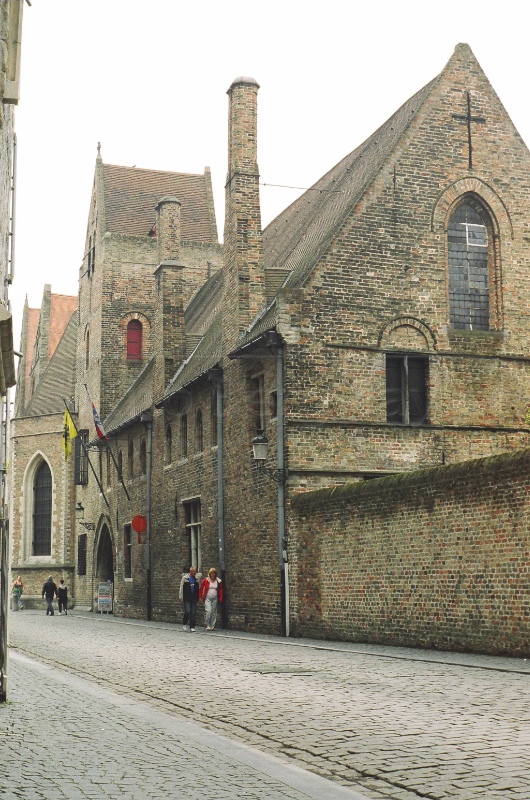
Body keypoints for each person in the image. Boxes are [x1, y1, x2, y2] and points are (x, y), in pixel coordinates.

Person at [179, 566, 199, 631]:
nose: (195, 572)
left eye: (196, 571)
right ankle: (185, 623)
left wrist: (198, 596)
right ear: (191, 571)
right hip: (187, 597)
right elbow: (181, 588)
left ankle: (192, 627)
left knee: (193, 612)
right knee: (187, 611)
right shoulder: (185, 578)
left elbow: (198, 588)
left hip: (194, 597)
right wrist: (181, 597)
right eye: (194, 571)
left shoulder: (196, 579)